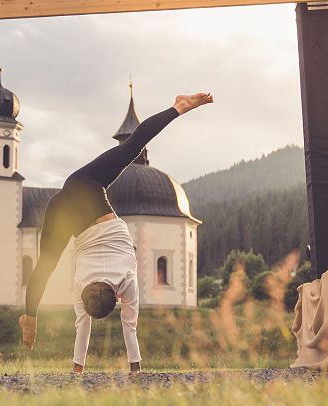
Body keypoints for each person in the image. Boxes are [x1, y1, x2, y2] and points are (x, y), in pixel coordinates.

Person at [19, 91, 214, 373]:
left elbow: (128, 325)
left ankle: (178, 107)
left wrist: (136, 368)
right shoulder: (82, 284)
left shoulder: (125, 283)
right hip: (71, 202)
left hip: (90, 195)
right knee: (45, 266)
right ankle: (29, 318)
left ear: (117, 297)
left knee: (133, 146)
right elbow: (86, 323)